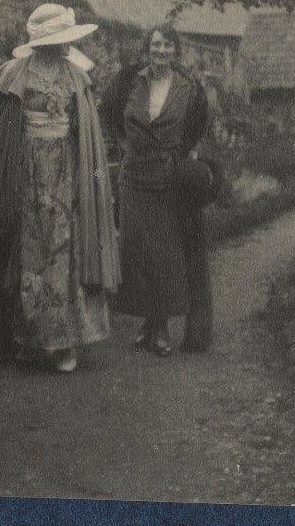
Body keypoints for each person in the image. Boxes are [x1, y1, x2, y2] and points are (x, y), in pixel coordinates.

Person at [0, 3, 120, 373]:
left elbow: (86, 132)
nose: (63, 46)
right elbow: (0, 124)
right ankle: (32, 339)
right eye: (58, 40)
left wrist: (90, 181)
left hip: (67, 170)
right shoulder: (14, 73)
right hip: (27, 170)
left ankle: (63, 343)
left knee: (64, 252)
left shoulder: (76, 75)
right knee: (31, 252)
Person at [101, 24, 212, 356]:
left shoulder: (189, 88)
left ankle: (160, 325)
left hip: (167, 178)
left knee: (163, 253)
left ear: (176, 51)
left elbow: (197, 125)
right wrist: (122, 145)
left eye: (167, 45)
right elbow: (108, 113)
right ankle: (148, 322)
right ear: (146, 48)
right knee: (136, 253)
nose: (161, 50)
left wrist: (179, 155)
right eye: (155, 44)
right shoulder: (127, 81)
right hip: (133, 176)